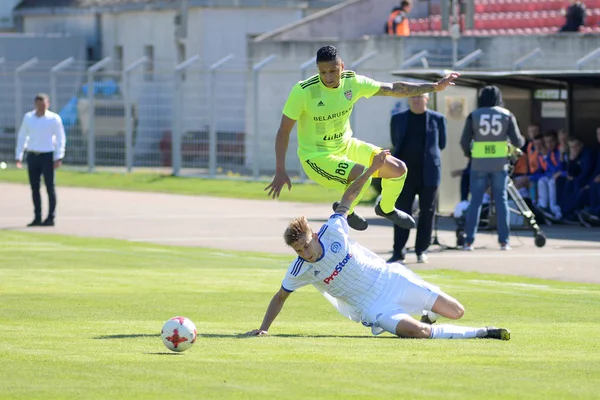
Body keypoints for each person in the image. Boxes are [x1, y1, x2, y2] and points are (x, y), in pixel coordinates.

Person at [247, 150, 510, 341]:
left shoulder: (333, 230)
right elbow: (280, 297)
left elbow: (349, 195)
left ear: (314, 235)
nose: (305, 253)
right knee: (418, 333)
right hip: (373, 308)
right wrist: (265, 327)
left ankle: (430, 314)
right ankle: (484, 333)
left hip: (391, 278)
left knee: (457, 311)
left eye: (305, 245)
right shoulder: (299, 269)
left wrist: (373, 169)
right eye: (299, 251)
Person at [265, 45, 460, 232]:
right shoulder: (304, 91)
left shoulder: (353, 83)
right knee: (363, 175)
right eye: (322, 72)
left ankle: (386, 208)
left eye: (333, 71)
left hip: (347, 145)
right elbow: (283, 131)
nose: (328, 77)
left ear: (342, 66)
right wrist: (280, 170)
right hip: (317, 156)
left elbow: (393, 88)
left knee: (398, 169)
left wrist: (434, 87)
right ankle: (345, 211)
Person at [459, 86, 525, 251]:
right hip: (499, 163)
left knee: (476, 201)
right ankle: (504, 241)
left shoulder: (474, 115)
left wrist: (470, 153)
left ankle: (469, 241)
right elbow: (518, 141)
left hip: (479, 163)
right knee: (501, 200)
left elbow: (464, 141)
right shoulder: (506, 114)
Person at [388, 93, 447, 264]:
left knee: (427, 212)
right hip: (404, 174)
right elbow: (395, 141)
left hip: (429, 173)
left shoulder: (438, 119)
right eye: (413, 97)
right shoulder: (398, 119)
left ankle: (422, 250)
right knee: (400, 212)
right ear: (408, 99)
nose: (416, 100)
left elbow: (441, 144)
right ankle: (398, 252)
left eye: (420, 97)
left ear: (426, 99)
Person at [15, 93, 66, 227]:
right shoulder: (28, 118)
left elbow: (61, 138)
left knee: (50, 186)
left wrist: (59, 156)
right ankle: (37, 216)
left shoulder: (54, 119)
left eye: (43, 104)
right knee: (34, 187)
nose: (41, 107)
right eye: (38, 104)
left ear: (47, 104)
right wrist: (18, 155)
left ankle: (51, 217)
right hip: (33, 155)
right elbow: (22, 136)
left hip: (47, 155)